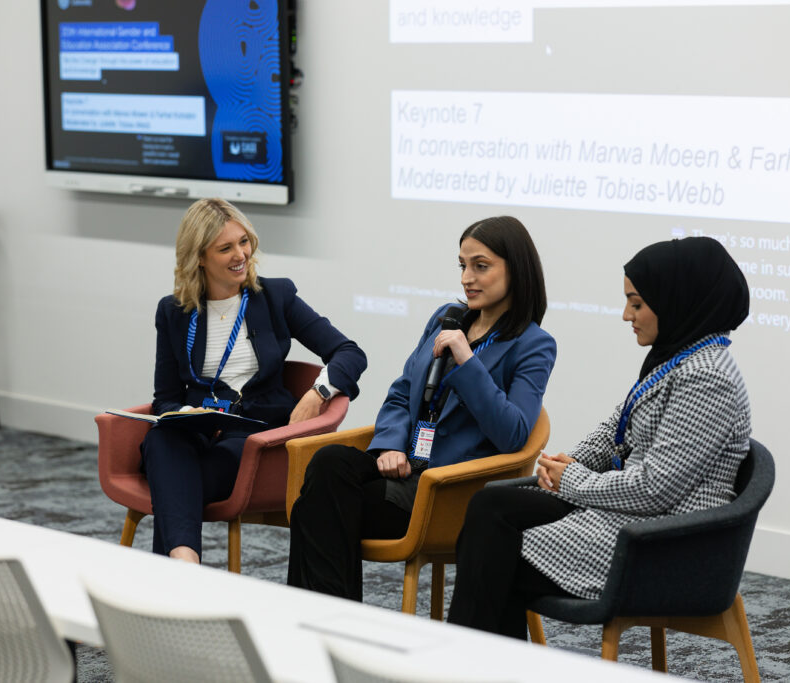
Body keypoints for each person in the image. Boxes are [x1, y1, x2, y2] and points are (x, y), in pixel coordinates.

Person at [447, 235, 751, 638]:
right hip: (633, 519)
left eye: (637, 304)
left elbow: (654, 489)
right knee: (491, 507)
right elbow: (616, 430)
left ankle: (464, 662)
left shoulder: (707, 378)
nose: (626, 315)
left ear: (677, 302)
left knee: (492, 554)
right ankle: (482, 663)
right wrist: (570, 462)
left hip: (664, 542)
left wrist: (572, 479)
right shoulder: (678, 358)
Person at [287, 215, 556, 601]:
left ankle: (320, 616)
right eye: (462, 266)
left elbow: (513, 433)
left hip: (448, 488)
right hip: (403, 469)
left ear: (516, 269)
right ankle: (331, 615)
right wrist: (390, 444)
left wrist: (468, 361)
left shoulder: (533, 344)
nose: (467, 278)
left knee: (313, 509)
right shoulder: (447, 318)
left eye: (481, 266)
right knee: (329, 462)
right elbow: (401, 393)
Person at [141, 198, 367, 563]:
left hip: (255, 438)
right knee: (161, 439)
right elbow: (164, 397)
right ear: (199, 258)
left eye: (244, 242)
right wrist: (184, 413)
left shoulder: (276, 296)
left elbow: (349, 353)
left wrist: (318, 392)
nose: (241, 255)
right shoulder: (174, 311)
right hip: (197, 433)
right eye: (225, 248)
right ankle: (185, 565)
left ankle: (182, 563)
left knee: (172, 480)